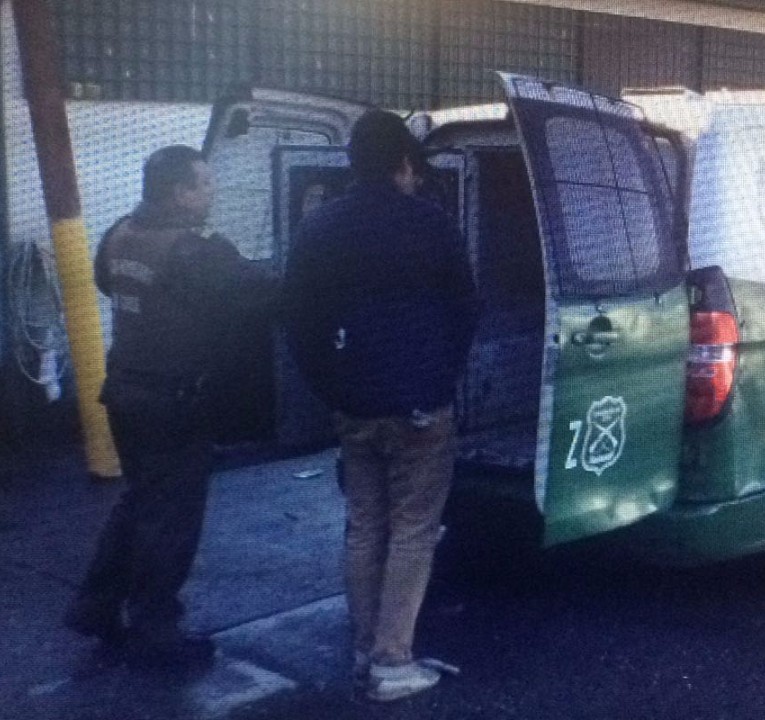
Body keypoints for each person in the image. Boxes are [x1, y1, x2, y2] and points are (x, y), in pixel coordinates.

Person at [283, 110, 477, 702]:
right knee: (413, 530)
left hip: (355, 405)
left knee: (364, 526)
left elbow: (297, 320)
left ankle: (366, 649)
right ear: (403, 163)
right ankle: (394, 664)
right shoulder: (431, 223)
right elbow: (467, 309)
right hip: (420, 405)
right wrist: (441, 376)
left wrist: (332, 388)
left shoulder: (320, 226)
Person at [64, 145, 277, 669]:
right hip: (174, 402)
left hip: (126, 395)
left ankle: (95, 605)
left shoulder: (120, 234)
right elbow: (261, 289)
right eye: (203, 185)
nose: (211, 193)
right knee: (172, 518)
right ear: (179, 193)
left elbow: (106, 283)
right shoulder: (195, 250)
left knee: (139, 504)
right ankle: (157, 626)